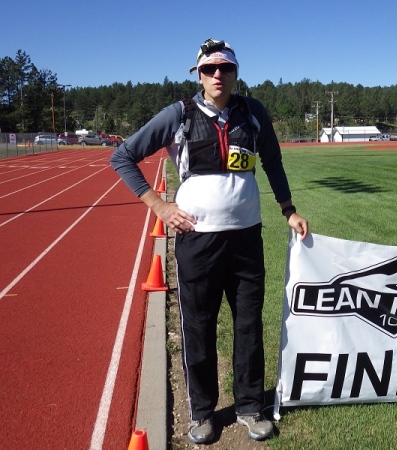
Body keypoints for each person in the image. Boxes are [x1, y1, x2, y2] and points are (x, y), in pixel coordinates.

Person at [110, 38, 309, 444]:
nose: (218, 75)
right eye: (209, 69)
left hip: (246, 239)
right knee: (198, 326)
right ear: (198, 75)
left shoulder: (252, 113)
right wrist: (159, 206)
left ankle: (250, 406)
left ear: (236, 73)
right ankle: (202, 412)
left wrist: (288, 210)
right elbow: (123, 157)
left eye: (225, 68)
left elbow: (272, 162)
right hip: (197, 242)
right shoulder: (179, 115)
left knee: (249, 324)